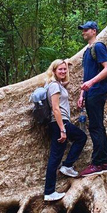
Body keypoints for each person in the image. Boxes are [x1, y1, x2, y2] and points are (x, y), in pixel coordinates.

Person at [43, 59, 87, 202]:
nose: (63, 71)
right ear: (54, 71)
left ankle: (66, 167)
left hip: (58, 123)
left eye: (64, 69)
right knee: (80, 138)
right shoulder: (54, 86)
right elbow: (56, 109)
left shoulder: (56, 84)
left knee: (56, 156)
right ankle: (50, 190)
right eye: (60, 69)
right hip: (59, 123)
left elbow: (65, 84)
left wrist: (67, 64)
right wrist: (63, 129)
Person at [77, 21, 107, 177]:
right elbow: (87, 75)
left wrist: (91, 83)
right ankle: (104, 161)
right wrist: (82, 95)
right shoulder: (88, 51)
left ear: (94, 31)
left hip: (97, 91)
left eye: (86, 29)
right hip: (90, 93)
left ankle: (98, 163)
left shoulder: (99, 46)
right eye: (82, 30)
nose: (83, 32)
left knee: (95, 127)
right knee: (97, 126)